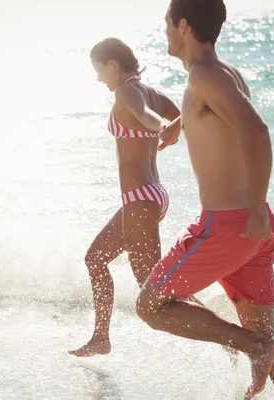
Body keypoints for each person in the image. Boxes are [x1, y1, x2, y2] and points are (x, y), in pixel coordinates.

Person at [135, 1, 274, 399]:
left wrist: (254, 214)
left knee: (150, 305)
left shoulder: (206, 74)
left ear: (183, 25)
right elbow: (216, 119)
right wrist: (175, 127)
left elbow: (256, 132)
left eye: (166, 23)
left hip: (230, 227)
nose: (163, 31)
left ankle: (256, 347)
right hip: (252, 229)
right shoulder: (220, 74)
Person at [69, 38, 180, 357]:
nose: (99, 78)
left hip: (140, 199)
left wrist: (163, 127)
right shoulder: (155, 93)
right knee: (96, 259)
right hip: (151, 196)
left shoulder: (127, 92)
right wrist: (175, 125)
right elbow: (189, 113)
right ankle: (100, 337)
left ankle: (232, 340)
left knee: (154, 290)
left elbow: (146, 116)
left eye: (99, 70)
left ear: (113, 64)